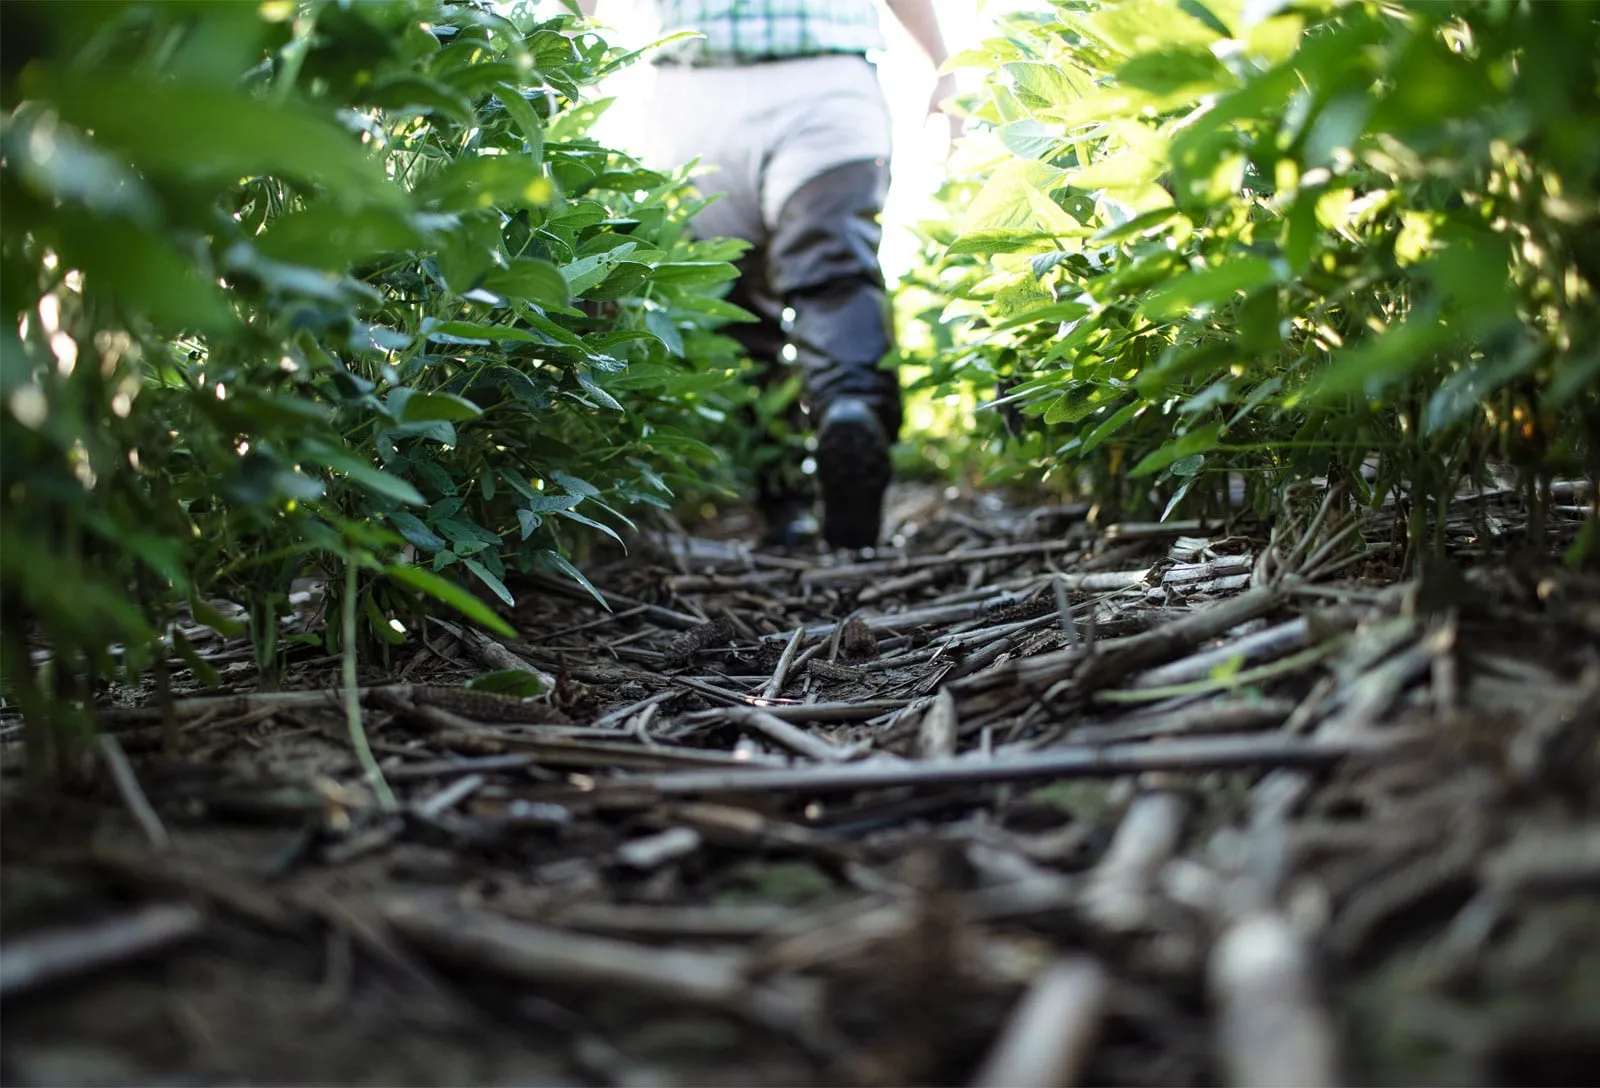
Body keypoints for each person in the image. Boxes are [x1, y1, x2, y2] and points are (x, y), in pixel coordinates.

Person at [575, 0, 957, 549]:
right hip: (829, 87)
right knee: (834, 277)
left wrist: (556, 50)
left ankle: (783, 505)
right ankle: (849, 409)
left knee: (732, 306)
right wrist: (943, 66)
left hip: (694, 93)